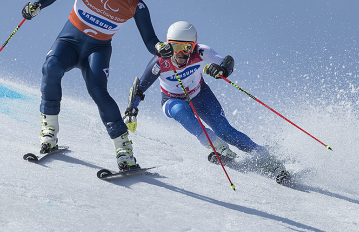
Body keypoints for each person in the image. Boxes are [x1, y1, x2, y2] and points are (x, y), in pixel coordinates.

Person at [21, 0, 173, 171]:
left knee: (98, 91)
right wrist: (37, 5)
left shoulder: (137, 6)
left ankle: (124, 151)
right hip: (69, 43)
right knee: (51, 67)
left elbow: (151, 40)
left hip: (98, 50)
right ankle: (49, 134)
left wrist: (160, 48)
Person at [123, 21, 291, 183]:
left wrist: (221, 70)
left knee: (225, 131)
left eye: (186, 47)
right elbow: (139, 87)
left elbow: (228, 62)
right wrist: (132, 109)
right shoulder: (160, 62)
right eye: (176, 47)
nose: (180, 53)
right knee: (180, 110)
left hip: (200, 95)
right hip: (172, 100)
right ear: (168, 45)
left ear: (194, 46)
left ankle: (267, 158)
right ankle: (218, 146)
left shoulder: (202, 52)